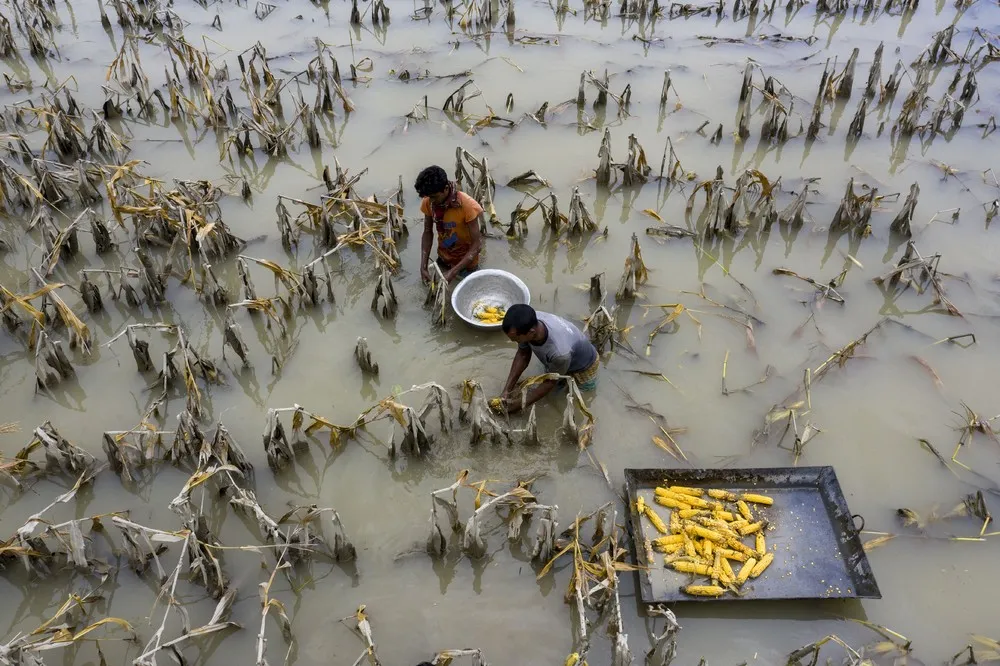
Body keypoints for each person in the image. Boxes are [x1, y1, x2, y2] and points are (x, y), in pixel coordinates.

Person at [498, 304, 600, 413]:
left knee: (580, 398)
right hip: (561, 358)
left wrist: (518, 405)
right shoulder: (529, 321)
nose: (514, 341)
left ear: (531, 333)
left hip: (584, 366)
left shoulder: (560, 352)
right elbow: (523, 354)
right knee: (556, 386)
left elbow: (550, 382)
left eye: (516, 339)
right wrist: (507, 390)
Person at [415, 165, 484, 284]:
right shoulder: (429, 201)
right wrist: (423, 266)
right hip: (444, 257)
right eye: (428, 197)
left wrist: (453, 272)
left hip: (466, 264)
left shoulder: (466, 205)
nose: (430, 201)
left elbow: (477, 245)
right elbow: (427, 232)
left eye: (434, 197)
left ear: (446, 188)